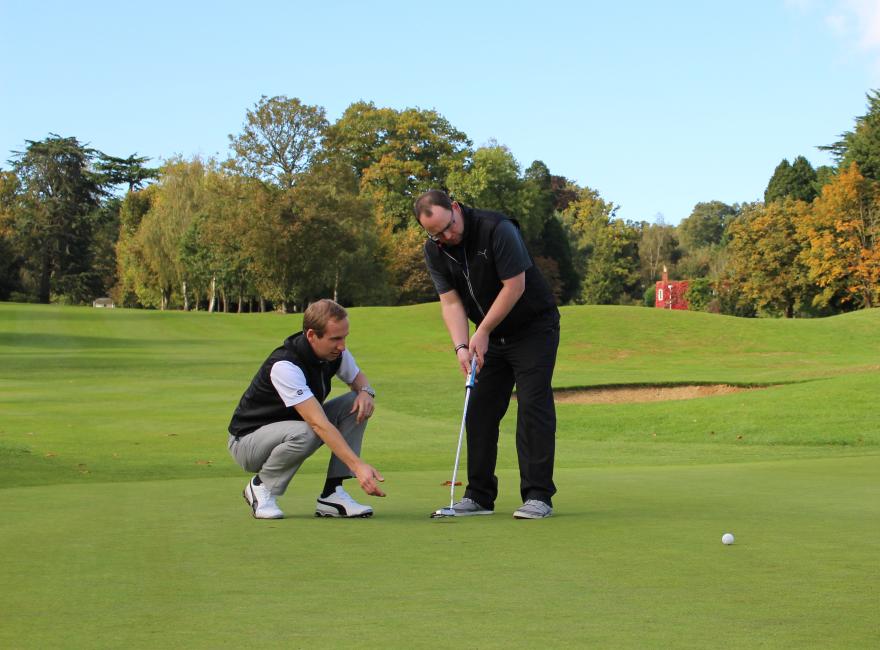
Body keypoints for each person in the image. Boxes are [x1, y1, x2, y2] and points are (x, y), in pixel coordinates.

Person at [414, 190, 560, 519]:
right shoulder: (435, 251)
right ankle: (479, 495)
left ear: (454, 208)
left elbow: (515, 286)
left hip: (534, 328)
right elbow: (450, 302)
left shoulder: (496, 229)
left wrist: (482, 331)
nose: (446, 237)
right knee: (478, 409)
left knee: (532, 406)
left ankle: (538, 495)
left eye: (448, 227)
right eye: (436, 234)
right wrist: (461, 346)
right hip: (491, 336)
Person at [227, 299, 385, 519]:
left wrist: (366, 392)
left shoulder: (334, 354)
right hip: (247, 442)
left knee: (354, 403)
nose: (342, 346)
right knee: (309, 431)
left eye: (344, 337)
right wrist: (358, 467)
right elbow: (317, 423)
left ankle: (332, 494)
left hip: (292, 429)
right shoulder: (285, 365)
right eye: (335, 339)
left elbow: (358, 378)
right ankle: (261, 486)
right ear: (312, 335)